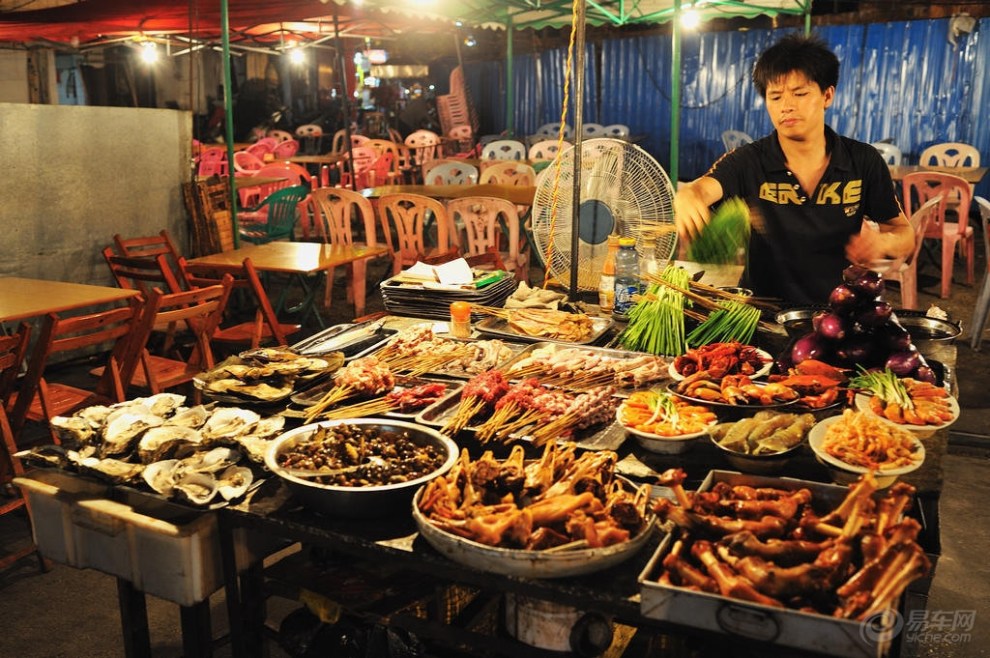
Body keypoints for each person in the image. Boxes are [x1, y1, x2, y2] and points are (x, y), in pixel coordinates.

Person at [674, 33, 913, 304]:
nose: (786, 106)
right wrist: (689, 195)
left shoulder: (863, 160)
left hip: (838, 310)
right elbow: (703, 189)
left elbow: (903, 233)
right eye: (775, 97)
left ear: (827, 95)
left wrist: (883, 244)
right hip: (763, 311)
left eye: (800, 93)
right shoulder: (748, 160)